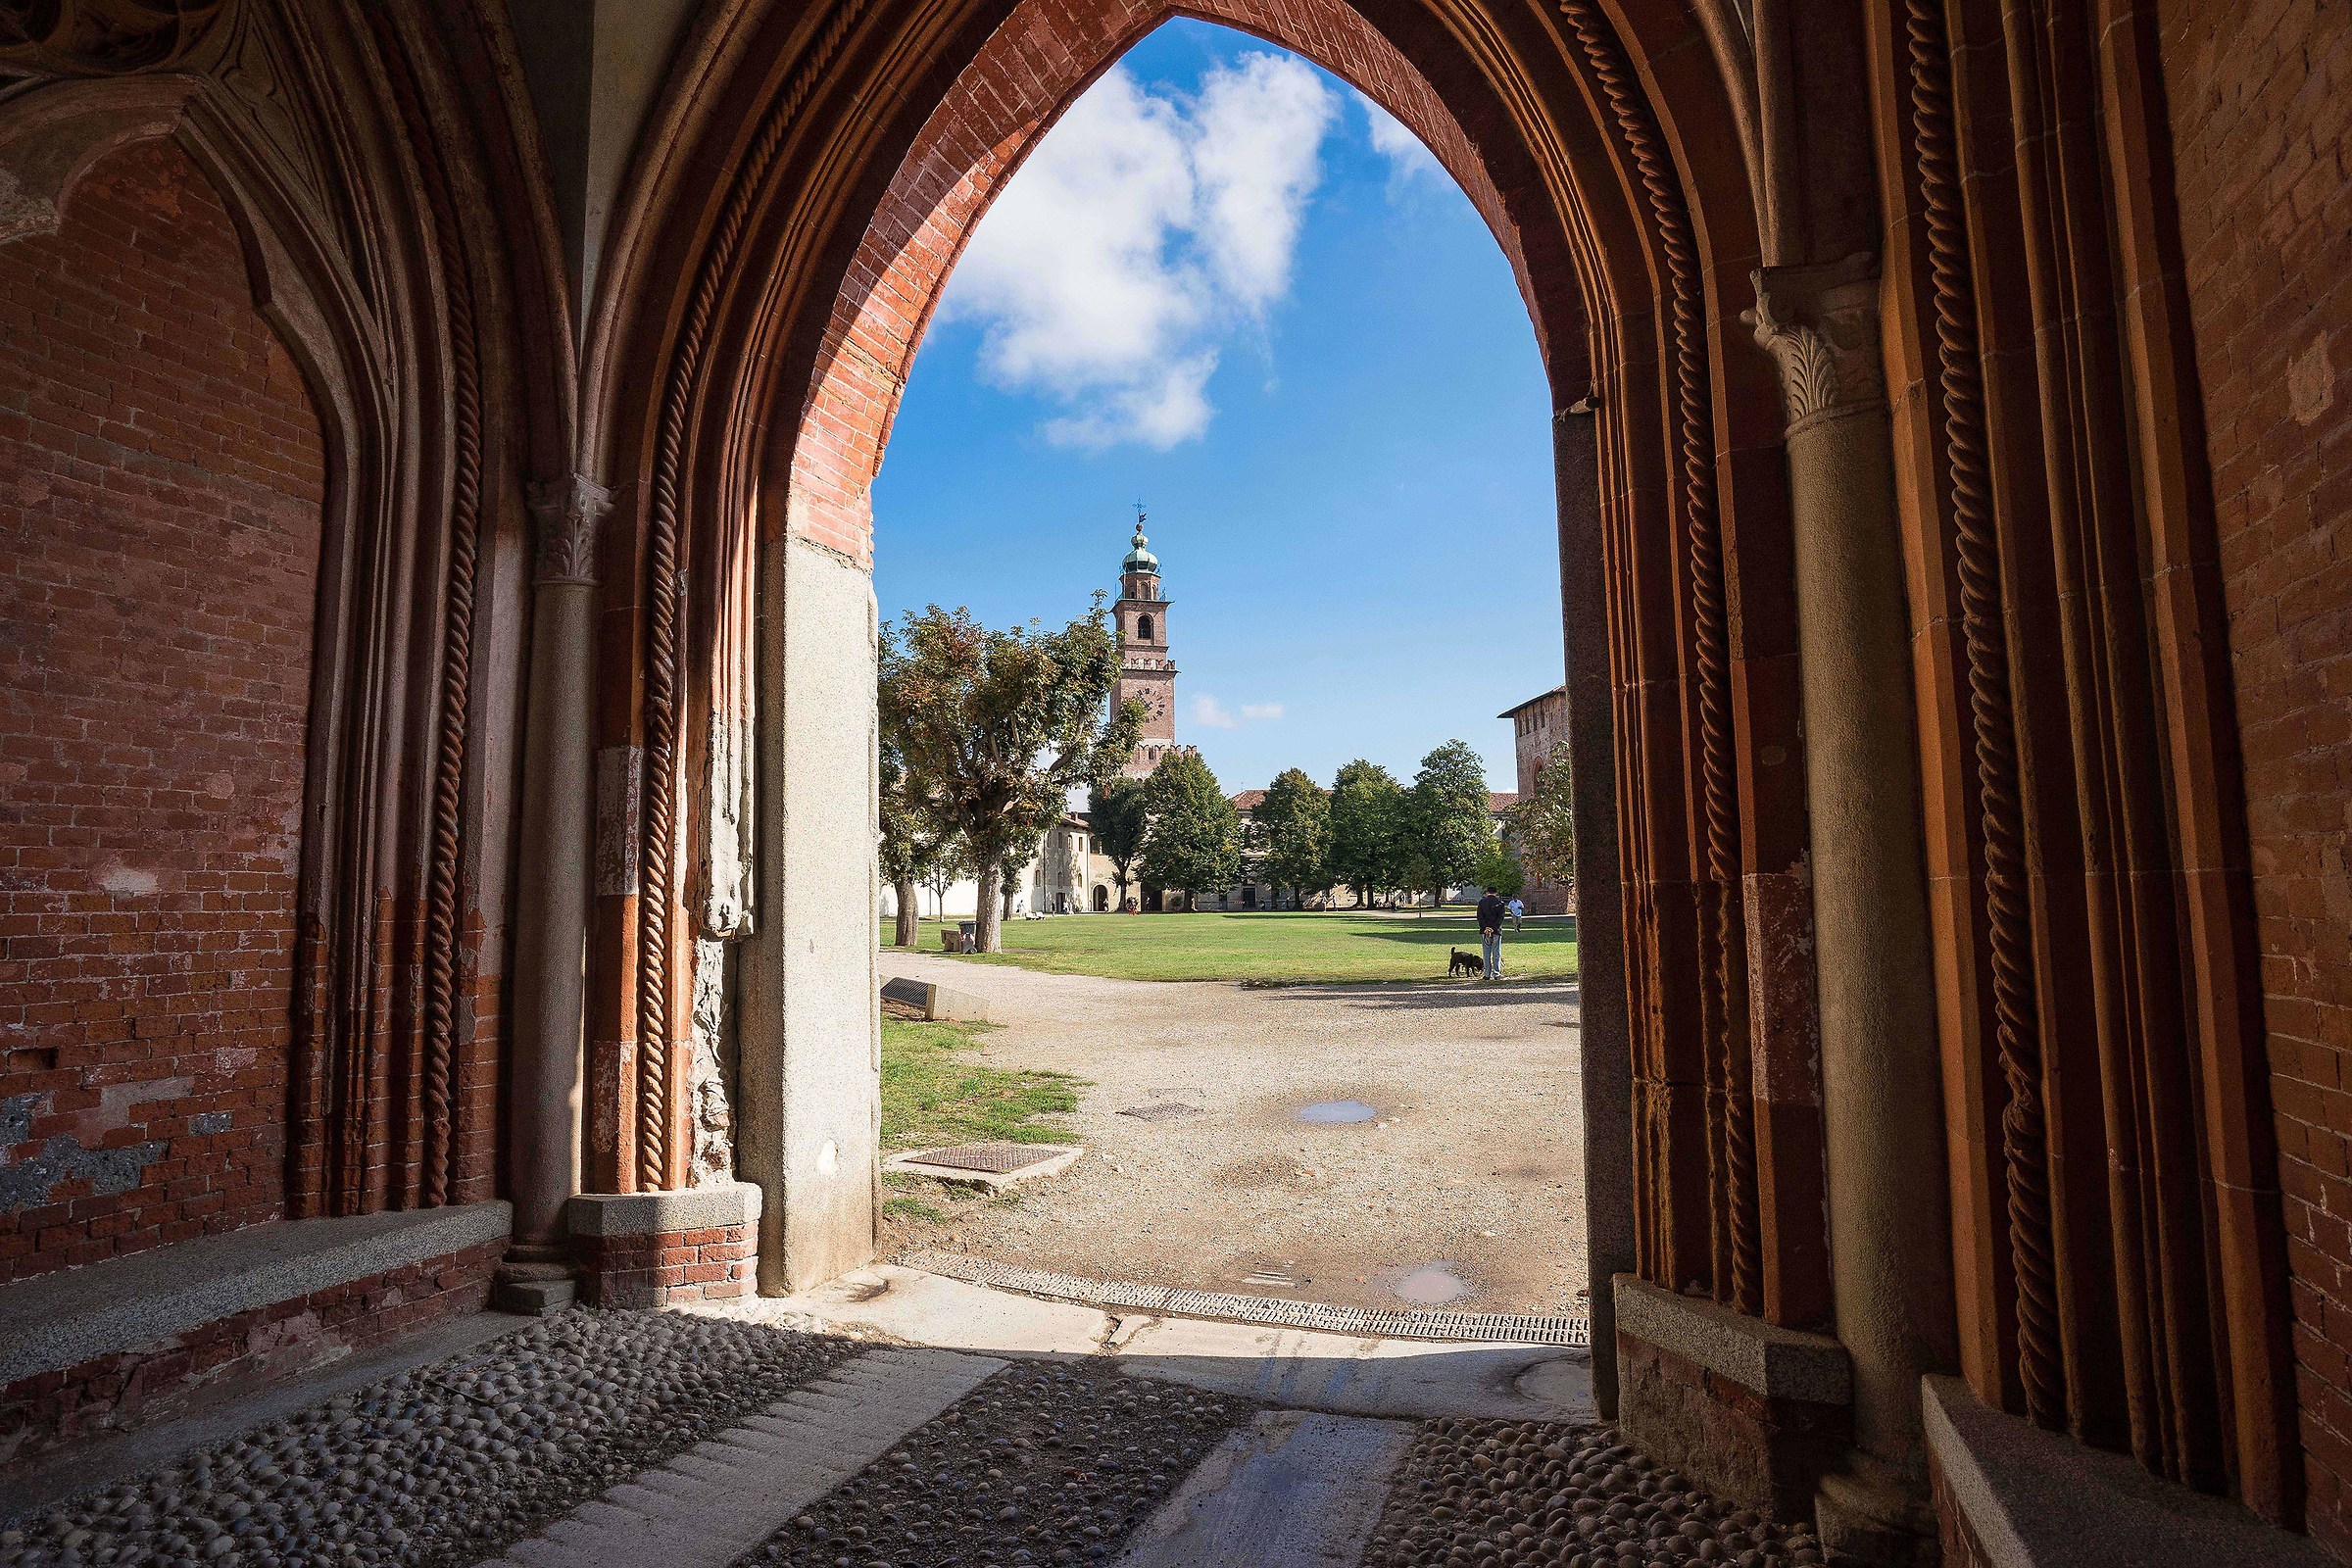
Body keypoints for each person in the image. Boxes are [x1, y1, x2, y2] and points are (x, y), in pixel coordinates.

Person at [1476, 885, 1507, 979]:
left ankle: (1487, 974)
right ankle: (1496, 973)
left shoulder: (1482, 902)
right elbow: (1500, 918)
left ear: (1487, 892)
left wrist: (1485, 927)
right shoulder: (1500, 903)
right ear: (1496, 893)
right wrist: (1493, 928)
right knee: (1496, 952)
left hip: (1484, 931)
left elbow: (1480, 916)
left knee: (1486, 953)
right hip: (1496, 930)